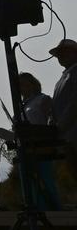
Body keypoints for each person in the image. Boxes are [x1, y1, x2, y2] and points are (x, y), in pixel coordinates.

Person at [19, 72, 61, 210]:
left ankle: (54, 210)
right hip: (24, 146)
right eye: (20, 85)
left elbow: (52, 120)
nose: (23, 87)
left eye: (26, 84)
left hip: (42, 144)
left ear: (33, 84)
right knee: (28, 180)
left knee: (44, 177)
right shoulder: (20, 105)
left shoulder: (43, 99)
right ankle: (33, 208)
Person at [49, 39, 77, 179]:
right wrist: (52, 123)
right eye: (59, 53)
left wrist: (61, 125)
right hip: (65, 137)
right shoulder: (62, 78)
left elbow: (75, 102)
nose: (61, 56)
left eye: (65, 52)